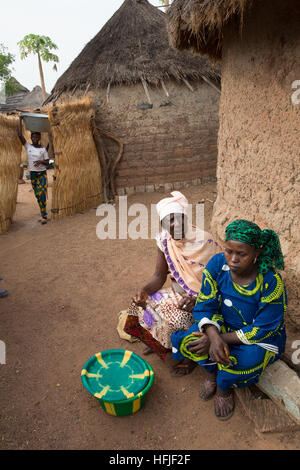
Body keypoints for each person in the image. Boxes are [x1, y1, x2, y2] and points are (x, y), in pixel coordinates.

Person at [171, 219, 287, 421]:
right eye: (229, 251)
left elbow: (262, 329)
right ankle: (211, 374)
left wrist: (218, 339)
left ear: (256, 253)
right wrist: (213, 336)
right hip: (221, 325)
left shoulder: (270, 282)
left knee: (246, 361)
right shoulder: (217, 264)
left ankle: (224, 388)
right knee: (191, 340)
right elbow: (205, 304)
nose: (233, 259)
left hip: (258, 338)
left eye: (241, 254)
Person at [123, 191, 221, 375]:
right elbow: (159, 275)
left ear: (186, 218)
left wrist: (198, 300)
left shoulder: (205, 241)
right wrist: (143, 291)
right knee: (142, 305)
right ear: (163, 225)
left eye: (178, 218)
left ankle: (188, 358)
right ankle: (158, 342)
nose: (175, 224)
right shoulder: (164, 241)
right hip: (177, 293)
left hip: (203, 301)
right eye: (169, 221)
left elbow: (220, 283)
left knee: (179, 318)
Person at [18, 116, 49, 224]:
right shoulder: (28, 147)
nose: (35, 138)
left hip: (42, 174)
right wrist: (20, 119)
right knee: (37, 195)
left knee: (41, 194)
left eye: (37, 136)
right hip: (33, 175)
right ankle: (43, 212)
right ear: (31, 138)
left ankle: (44, 216)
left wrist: (41, 162)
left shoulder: (43, 149)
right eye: (33, 137)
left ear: (39, 138)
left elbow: (47, 162)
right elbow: (19, 135)